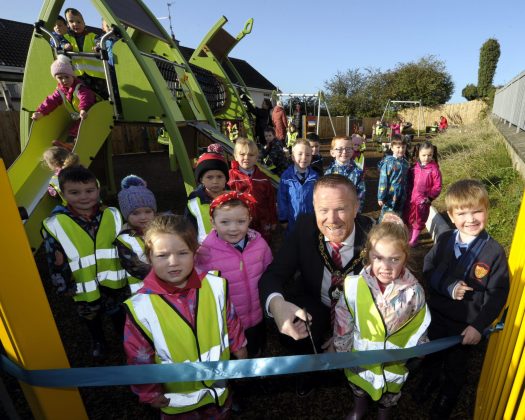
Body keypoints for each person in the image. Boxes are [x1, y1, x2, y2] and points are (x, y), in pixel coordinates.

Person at [259, 174, 374, 395]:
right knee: (296, 324)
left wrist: (345, 333)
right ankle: (308, 370)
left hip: (360, 310)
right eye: (323, 210)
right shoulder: (304, 227)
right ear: (313, 207)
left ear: (357, 206)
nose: (332, 219)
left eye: (341, 208)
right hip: (316, 303)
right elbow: (274, 275)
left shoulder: (375, 235)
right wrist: (277, 306)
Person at [123, 214, 247, 418]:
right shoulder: (140, 307)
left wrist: (239, 346)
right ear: (149, 256)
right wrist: (149, 392)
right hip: (178, 400)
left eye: (182, 253)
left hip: (218, 389)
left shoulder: (215, 286)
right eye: (162, 255)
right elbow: (138, 356)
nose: (173, 262)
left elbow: (230, 320)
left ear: (194, 253)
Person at [417, 179, 510, 419]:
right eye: (462, 213)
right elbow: (428, 267)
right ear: (450, 215)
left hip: (465, 324)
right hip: (437, 316)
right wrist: (448, 286)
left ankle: (449, 393)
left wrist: (478, 326)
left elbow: (497, 293)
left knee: (457, 364)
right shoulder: (446, 240)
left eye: (478, 211)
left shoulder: (494, 252)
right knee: (433, 352)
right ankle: (430, 379)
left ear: (487, 210)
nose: (471, 219)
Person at [334, 221, 429, 420]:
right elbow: (344, 318)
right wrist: (342, 350)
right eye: (378, 258)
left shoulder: (414, 292)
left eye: (394, 259)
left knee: (389, 392)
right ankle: (359, 409)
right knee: (360, 385)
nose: (385, 267)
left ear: (405, 258)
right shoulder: (353, 286)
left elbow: (419, 323)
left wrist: (419, 350)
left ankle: (384, 414)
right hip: (361, 356)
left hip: (393, 362)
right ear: (368, 255)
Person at [41, 165, 127, 359]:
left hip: (113, 279)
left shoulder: (111, 214)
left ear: (98, 189)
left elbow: (124, 244)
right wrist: (63, 284)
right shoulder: (56, 223)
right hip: (82, 283)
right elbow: (53, 257)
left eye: (90, 191)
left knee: (117, 311)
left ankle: (125, 338)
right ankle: (98, 340)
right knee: (90, 314)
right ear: (63, 193)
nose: (84, 197)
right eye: (75, 192)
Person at [195, 192, 272, 357]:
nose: (233, 228)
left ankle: (257, 369)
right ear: (212, 223)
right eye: (225, 222)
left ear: (249, 220)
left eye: (241, 221)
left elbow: (269, 271)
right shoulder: (205, 253)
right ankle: (238, 379)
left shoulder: (260, 244)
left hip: (257, 314)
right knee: (234, 354)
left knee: (256, 346)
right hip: (228, 321)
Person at [32, 55, 97, 151]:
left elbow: (86, 97)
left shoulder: (80, 87)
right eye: (60, 78)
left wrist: (83, 109)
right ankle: (69, 144)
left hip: (90, 112)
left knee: (78, 128)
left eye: (66, 77)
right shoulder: (60, 90)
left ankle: (70, 144)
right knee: (73, 128)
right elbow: (50, 101)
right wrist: (40, 112)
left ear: (72, 75)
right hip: (79, 115)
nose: (64, 80)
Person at [228, 138, 277, 243]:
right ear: (236, 156)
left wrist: (273, 220)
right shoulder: (231, 177)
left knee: (262, 246)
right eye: (242, 154)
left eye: (251, 155)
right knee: (241, 246)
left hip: (262, 222)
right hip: (239, 222)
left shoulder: (263, 178)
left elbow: (271, 201)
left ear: (256, 158)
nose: (246, 158)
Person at [115, 175, 157, 294]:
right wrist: (162, 273)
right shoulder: (124, 239)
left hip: (167, 284)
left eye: (148, 211)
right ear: (126, 215)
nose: (143, 217)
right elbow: (134, 266)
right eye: (135, 213)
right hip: (140, 290)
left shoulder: (162, 231)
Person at [403, 141, 442, 247]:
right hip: (411, 199)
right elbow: (409, 181)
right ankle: (409, 236)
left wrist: (430, 197)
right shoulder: (414, 167)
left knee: (419, 220)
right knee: (409, 217)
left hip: (423, 201)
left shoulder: (434, 169)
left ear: (433, 154)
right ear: (418, 154)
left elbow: (437, 186)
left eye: (429, 155)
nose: (426, 158)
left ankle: (414, 240)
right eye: (423, 155)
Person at [185, 152, 229, 243]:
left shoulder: (233, 198)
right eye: (209, 177)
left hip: (231, 247)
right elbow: (189, 227)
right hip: (204, 249)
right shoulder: (194, 201)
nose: (215, 181)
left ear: (226, 179)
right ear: (201, 180)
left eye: (220, 177)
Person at [277, 139, 319, 234]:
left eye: (308, 155)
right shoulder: (286, 177)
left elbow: (319, 199)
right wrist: (283, 219)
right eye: (300, 154)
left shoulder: (315, 177)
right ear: (292, 157)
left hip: (310, 221)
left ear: (311, 157)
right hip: (292, 222)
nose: (304, 157)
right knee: (293, 245)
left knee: (309, 244)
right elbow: (282, 199)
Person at [63, 8, 107, 97]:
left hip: (97, 76)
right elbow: (58, 42)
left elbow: (99, 41)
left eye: (79, 22)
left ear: (84, 23)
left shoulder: (92, 36)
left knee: (102, 96)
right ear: (67, 24)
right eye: (71, 21)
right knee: (85, 97)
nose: (75, 24)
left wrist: (98, 46)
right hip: (78, 75)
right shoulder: (66, 38)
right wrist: (64, 46)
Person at [325, 136, 365, 212]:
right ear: (332, 152)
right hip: (334, 211)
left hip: (351, 211)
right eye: (340, 149)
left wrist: (357, 211)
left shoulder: (358, 172)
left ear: (352, 151)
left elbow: (361, 194)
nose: (344, 152)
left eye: (348, 148)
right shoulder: (329, 173)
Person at [377, 134, 409, 221]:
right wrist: (381, 196)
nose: (401, 150)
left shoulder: (405, 163)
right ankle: (381, 232)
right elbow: (383, 180)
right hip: (390, 195)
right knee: (386, 216)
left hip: (401, 195)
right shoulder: (388, 163)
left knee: (398, 216)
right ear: (392, 148)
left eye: (403, 147)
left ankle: (394, 232)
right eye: (398, 147)